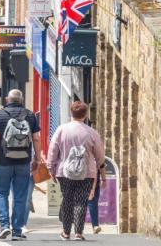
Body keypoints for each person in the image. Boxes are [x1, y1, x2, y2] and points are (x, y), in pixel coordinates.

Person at [0, 89, 43, 241]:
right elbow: (36, 139)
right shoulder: (30, 115)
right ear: (22, 100)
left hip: (3, 162)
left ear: (7, 99)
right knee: (20, 196)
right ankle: (17, 230)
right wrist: (37, 159)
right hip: (23, 162)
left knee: (1, 193)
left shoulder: (0, 115)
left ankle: (4, 226)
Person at [46, 100, 105, 240]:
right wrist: (103, 177)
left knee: (67, 199)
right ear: (85, 115)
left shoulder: (61, 129)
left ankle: (66, 232)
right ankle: (79, 232)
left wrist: (51, 168)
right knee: (81, 201)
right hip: (86, 173)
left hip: (64, 171)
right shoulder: (91, 132)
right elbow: (100, 156)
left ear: (71, 113)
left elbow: (52, 150)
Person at [87, 161, 106, 234]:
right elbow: (101, 164)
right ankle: (95, 225)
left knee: (80, 201)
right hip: (92, 173)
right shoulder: (97, 149)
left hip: (77, 173)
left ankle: (78, 229)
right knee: (92, 202)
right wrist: (104, 179)